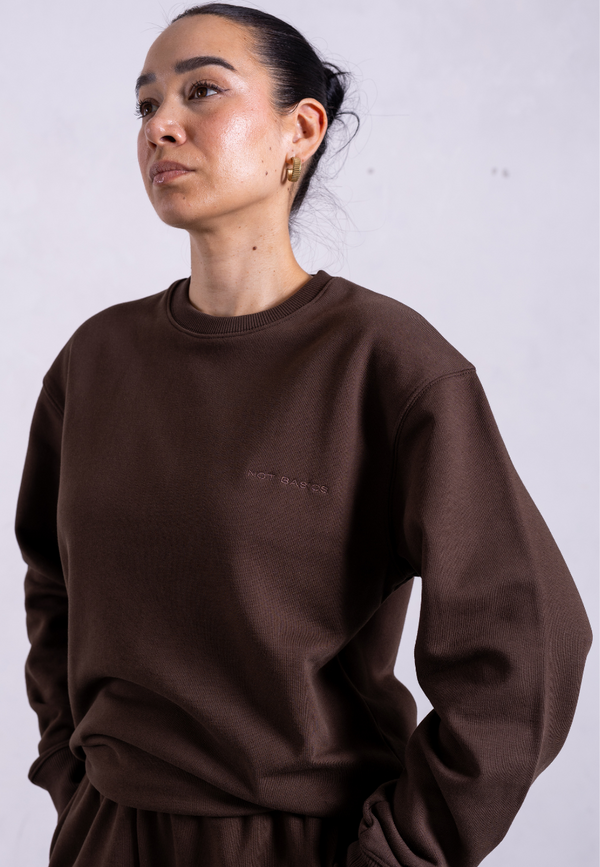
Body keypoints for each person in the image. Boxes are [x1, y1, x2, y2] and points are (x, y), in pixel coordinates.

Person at [15, 4, 592, 867]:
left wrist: (404, 852)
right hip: (107, 835)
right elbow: (52, 588)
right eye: (145, 104)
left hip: (303, 842)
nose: (161, 125)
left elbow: (527, 647)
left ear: (302, 129)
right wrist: (75, 781)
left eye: (201, 91)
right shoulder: (94, 361)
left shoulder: (388, 364)